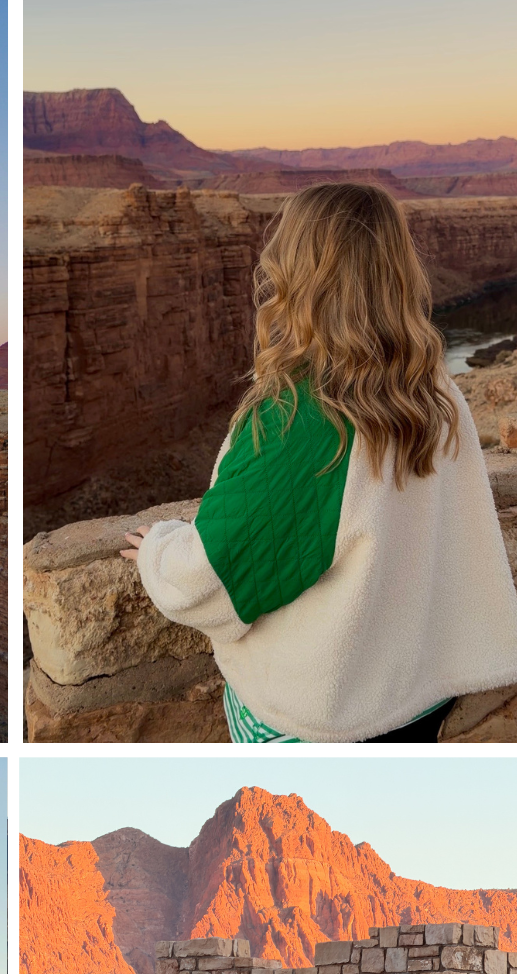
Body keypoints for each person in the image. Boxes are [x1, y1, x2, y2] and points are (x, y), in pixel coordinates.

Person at [120, 182, 517, 743]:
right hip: (416, 700)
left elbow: (205, 580)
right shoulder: (432, 389)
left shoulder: (307, 421)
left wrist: (160, 547)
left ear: (301, 272)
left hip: (323, 721)